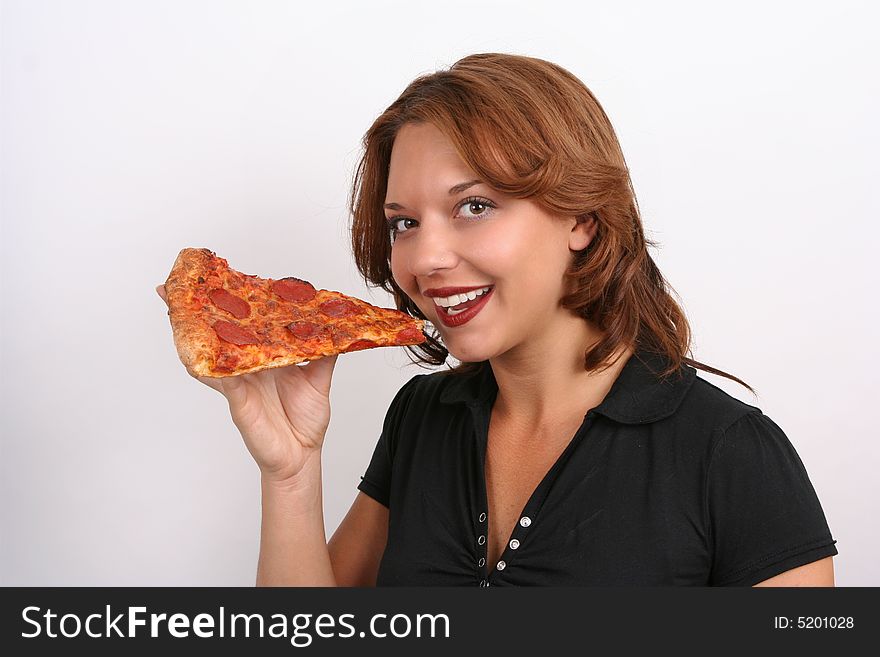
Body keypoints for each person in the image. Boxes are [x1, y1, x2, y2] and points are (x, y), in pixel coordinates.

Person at [156, 53, 837, 586]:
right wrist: (291, 473)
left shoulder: (732, 454)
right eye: (403, 223)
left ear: (582, 217)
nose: (423, 258)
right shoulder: (422, 418)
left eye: (474, 205)